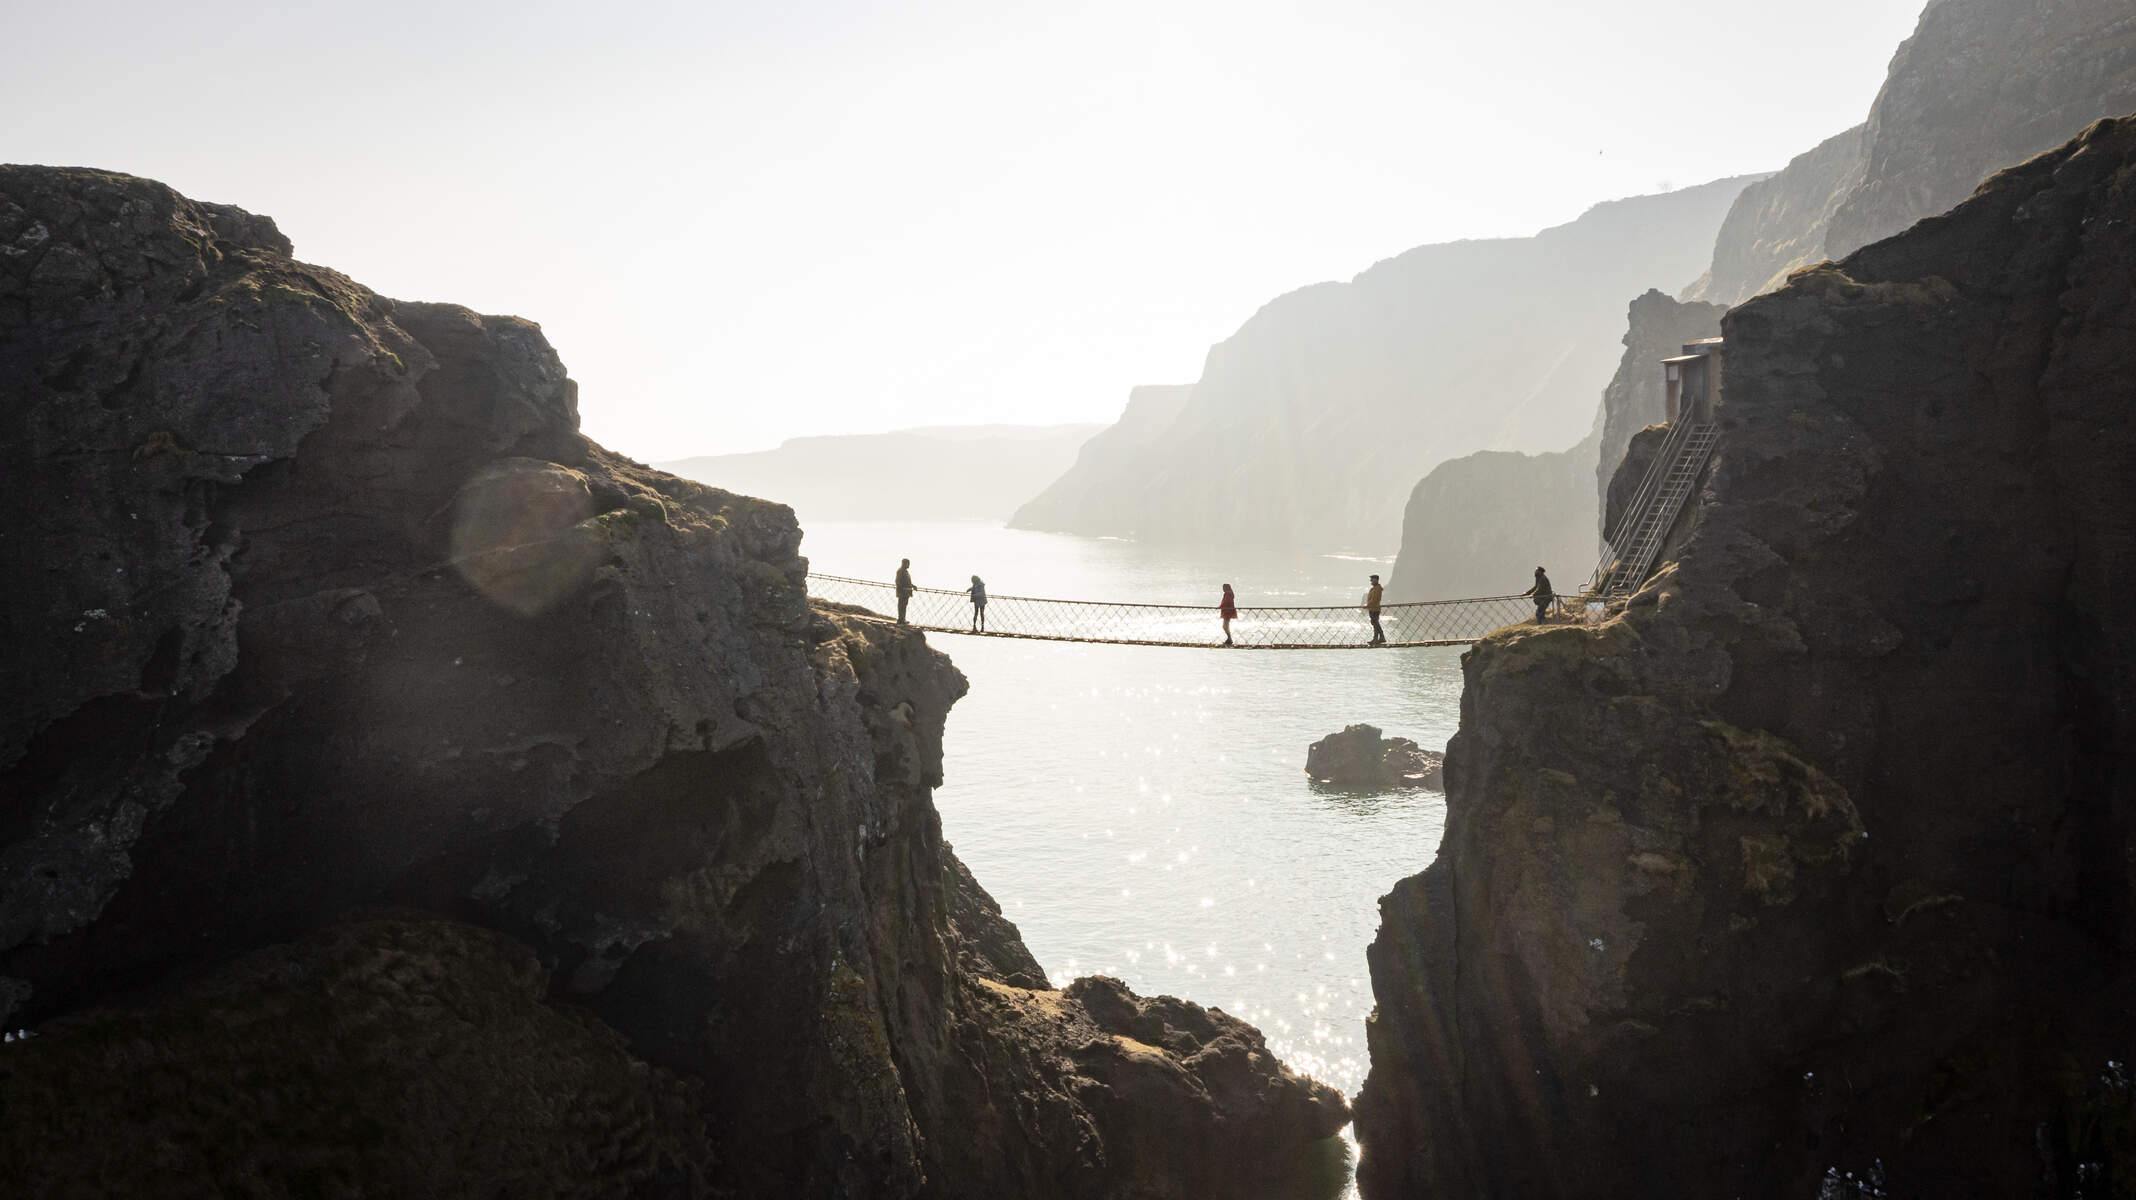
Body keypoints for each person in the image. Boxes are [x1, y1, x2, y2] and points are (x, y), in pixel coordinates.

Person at [1365, 574, 1386, 645]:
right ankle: (1377, 638)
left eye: (1372, 579)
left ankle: (1379, 637)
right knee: (1375, 623)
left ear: (1376, 580)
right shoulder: (1374, 588)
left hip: (1375, 609)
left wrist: (1367, 605)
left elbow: (1374, 599)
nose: (1371, 581)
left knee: (1375, 623)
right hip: (1372, 608)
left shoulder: (1377, 589)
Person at [894, 558, 915, 624]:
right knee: (901, 606)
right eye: (908, 563)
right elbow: (897, 581)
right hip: (902, 592)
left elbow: (907, 582)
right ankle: (901, 619)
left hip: (906, 592)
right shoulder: (900, 571)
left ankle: (902, 619)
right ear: (904, 563)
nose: (909, 565)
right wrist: (902, 588)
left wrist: (913, 586)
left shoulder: (905, 571)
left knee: (904, 605)